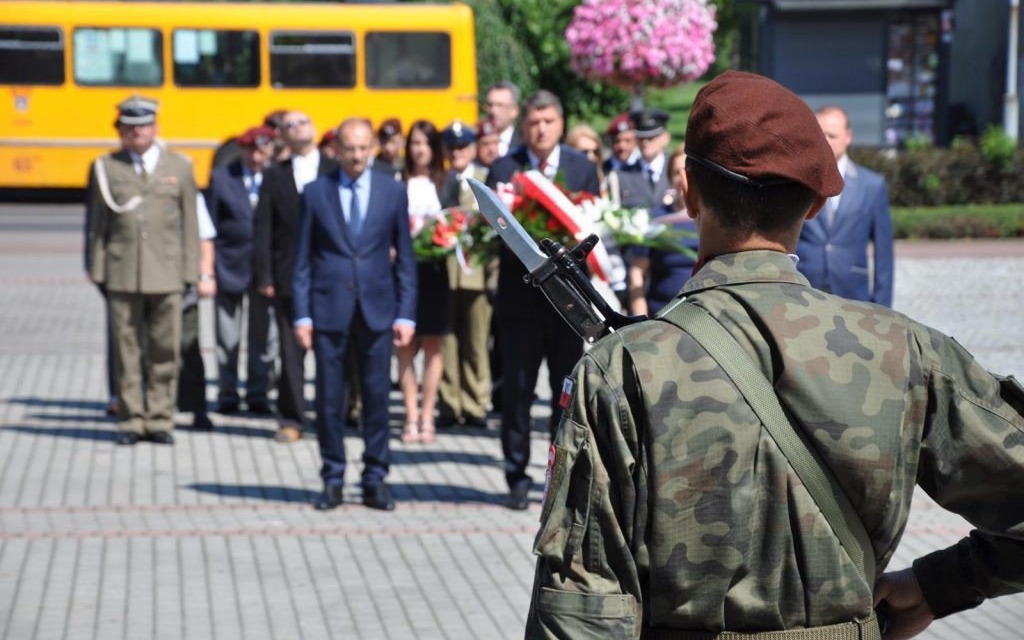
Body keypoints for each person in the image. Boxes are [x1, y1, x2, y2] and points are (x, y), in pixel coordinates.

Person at [526, 70, 1024, 639]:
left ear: (688, 192)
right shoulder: (904, 350)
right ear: (812, 206)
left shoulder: (623, 369)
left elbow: (581, 607)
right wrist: (944, 582)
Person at [292, 117, 417, 511]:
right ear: (336, 149)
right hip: (328, 310)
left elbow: (406, 260)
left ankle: (375, 477)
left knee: (377, 398)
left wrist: (406, 314)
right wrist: (302, 316)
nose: (358, 155)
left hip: (378, 311)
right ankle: (332, 477)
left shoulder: (392, 191)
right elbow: (301, 261)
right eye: (350, 148)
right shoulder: (316, 192)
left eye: (364, 147)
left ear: (373, 148)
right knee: (329, 400)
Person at [485, 89, 600, 511]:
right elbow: (494, 232)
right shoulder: (504, 167)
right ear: (524, 124)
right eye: (534, 122)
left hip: (567, 302)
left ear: (561, 123)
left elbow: (592, 230)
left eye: (549, 121)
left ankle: (562, 473)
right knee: (516, 389)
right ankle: (516, 473)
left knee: (565, 391)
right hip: (519, 301)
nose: (541, 129)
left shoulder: (581, 168)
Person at [86, 95, 199, 446]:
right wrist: (96, 267)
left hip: (167, 272)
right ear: (119, 129)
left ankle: (160, 418)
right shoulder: (105, 167)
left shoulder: (179, 166)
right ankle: (131, 419)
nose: (137, 132)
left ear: (155, 128)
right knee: (127, 349)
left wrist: (191, 271)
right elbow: (96, 224)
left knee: (166, 349)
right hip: (122, 272)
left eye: (144, 125)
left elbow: (190, 224)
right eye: (130, 127)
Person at [252, 110, 339, 443]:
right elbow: (264, 228)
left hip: (331, 274)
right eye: (289, 125)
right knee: (290, 352)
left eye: (303, 121)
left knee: (332, 349)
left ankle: (334, 413)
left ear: (314, 129)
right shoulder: (275, 175)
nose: (297, 128)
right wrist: (264, 274)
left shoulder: (334, 170)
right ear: (283, 137)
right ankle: (292, 418)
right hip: (288, 274)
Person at [396, 120, 460, 444]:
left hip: (435, 272)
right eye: (414, 143)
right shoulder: (397, 180)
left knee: (434, 344)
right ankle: (409, 415)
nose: (419, 149)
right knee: (405, 343)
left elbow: (458, 223)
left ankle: (427, 415)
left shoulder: (447, 182)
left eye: (426, 143)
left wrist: (446, 238)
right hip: (404, 272)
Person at [206, 125, 277, 416]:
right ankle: (228, 393)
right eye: (252, 150)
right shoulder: (223, 177)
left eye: (264, 150)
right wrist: (207, 270)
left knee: (264, 337)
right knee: (227, 337)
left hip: (266, 271)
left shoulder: (276, 178)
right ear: (243, 150)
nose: (258, 157)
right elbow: (207, 226)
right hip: (229, 266)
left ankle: (259, 392)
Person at [796, 105, 894, 307]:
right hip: (803, 288)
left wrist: (882, 307)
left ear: (847, 137)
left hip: (852, 291)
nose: (825, 142)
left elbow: (884, 252)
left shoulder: (871, 186)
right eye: (820, 135)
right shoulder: (798, 182)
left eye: (831, 136)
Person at [438, 120, 495, 429]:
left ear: (473, 149)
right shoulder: (439, 181)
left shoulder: (485, 179)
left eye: (462, 147)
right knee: (446, 340)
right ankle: (449, 404)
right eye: (451, 147)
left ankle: (475, 404)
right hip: (445, 273)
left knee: (476, 340)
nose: (457, 152)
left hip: (476, 273)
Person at [625, 145, 699, 316]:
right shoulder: (656, 218)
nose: (682, 177)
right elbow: (637, 273)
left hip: (702, 315)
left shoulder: (710, 218)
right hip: (661, 315)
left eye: (688, 170)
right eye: (676, 172)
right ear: (669, 178)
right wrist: (639, 319)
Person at [176, 193, 218, 430]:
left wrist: (205, 274)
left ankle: (197, 408)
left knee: (189, 345)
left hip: (184, 283)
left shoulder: (185, 184)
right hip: (150, 281)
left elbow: (205, 237)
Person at [614, 107, 672, 210]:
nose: (645, 142)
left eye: (651, 137)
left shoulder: (676, 170)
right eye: (641, 138)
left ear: (665, 138)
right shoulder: (622, 175)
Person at [484, 81, 522, 157]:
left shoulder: (524, 143)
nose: (493, 111)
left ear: (515, 111)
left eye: (500, 105)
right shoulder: (474, 143)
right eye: (490, 105)